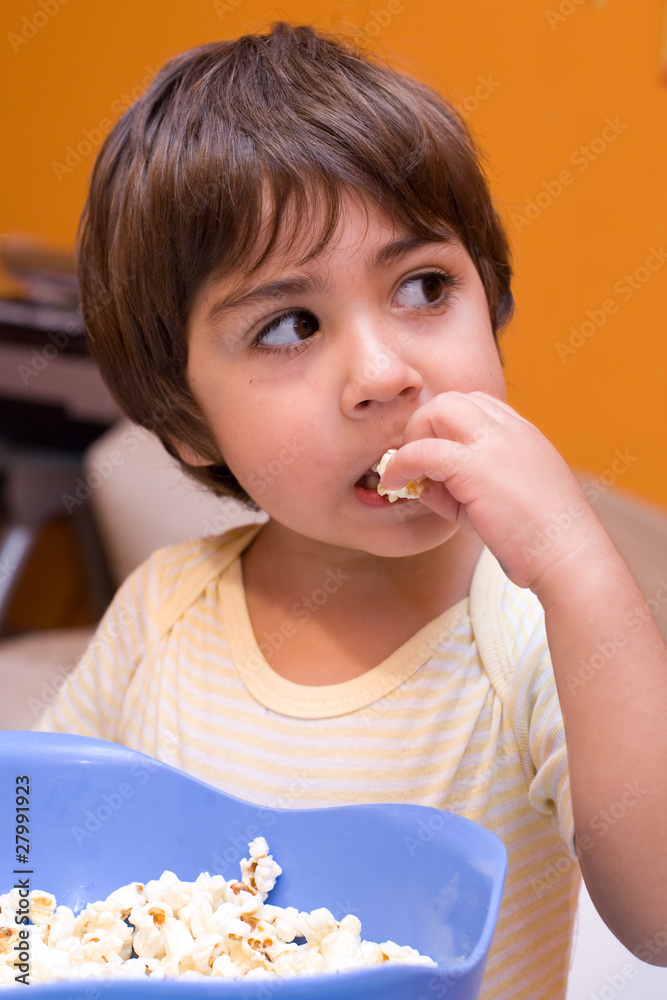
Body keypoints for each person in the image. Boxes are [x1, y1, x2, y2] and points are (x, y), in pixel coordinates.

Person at [37, 22, 667, 999]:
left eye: (424, 286)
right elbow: (43, 869)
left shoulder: (528, 634)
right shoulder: (163, 615)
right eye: (290, 324)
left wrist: (575, 564)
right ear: (186, 418)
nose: (384, 372)